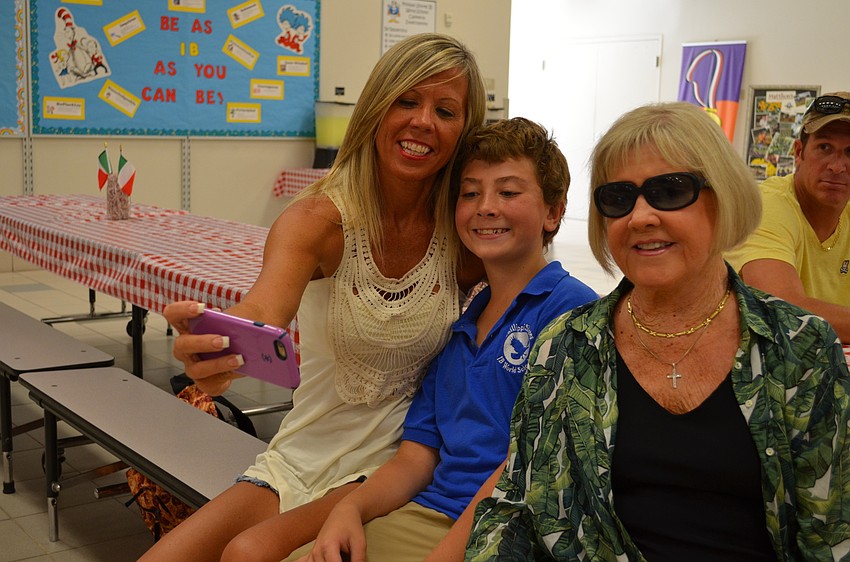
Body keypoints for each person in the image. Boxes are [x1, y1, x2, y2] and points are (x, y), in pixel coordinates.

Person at [140, 33, 487, 562]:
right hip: (305, 447)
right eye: (407, 100)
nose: (423, 121)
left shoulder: (464, 235)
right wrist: (214, 344)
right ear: (375, 107)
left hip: (403, 460)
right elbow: (261, 311)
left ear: (464, 130)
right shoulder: (318, 220)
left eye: (445, 109)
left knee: (248, 553)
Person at [466, 102, 850, 561]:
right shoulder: (566, 346)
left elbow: (831, 535)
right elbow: (515, 507)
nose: (641, 216)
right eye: (619, 198)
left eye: (671, 190)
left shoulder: (800, 348)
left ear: (723, 196)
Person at [288, 117, 598, 562]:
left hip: (517, 528)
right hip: (435, 511)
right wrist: (349, 509)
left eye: (508, 192)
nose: (485, 207)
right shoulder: (461, 319)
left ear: (553, 211)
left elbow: (527, 467)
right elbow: (418, 456)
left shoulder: (571, 311)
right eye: (470, 193)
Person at [725, 92, 850, 342]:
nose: (837, 166)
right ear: (799, 152)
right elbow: (784, 310)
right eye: (824, 148)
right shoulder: (769, 205)